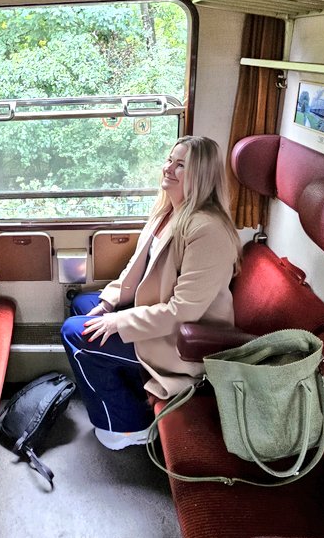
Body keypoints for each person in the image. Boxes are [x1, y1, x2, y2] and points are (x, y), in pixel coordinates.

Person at [60, 135, 241, 449]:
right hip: (157, 314)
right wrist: (108, 303)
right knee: (84, 304)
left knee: (75, 333)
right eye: (170, 160)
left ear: (200, 176)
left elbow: (182, 312)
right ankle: (133, 387)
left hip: (184, 339)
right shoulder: (168, 211)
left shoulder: (208, 230)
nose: (168, 168)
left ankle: (129, 425)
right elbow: (137, 269)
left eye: (180, 165)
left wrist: (119, 322)